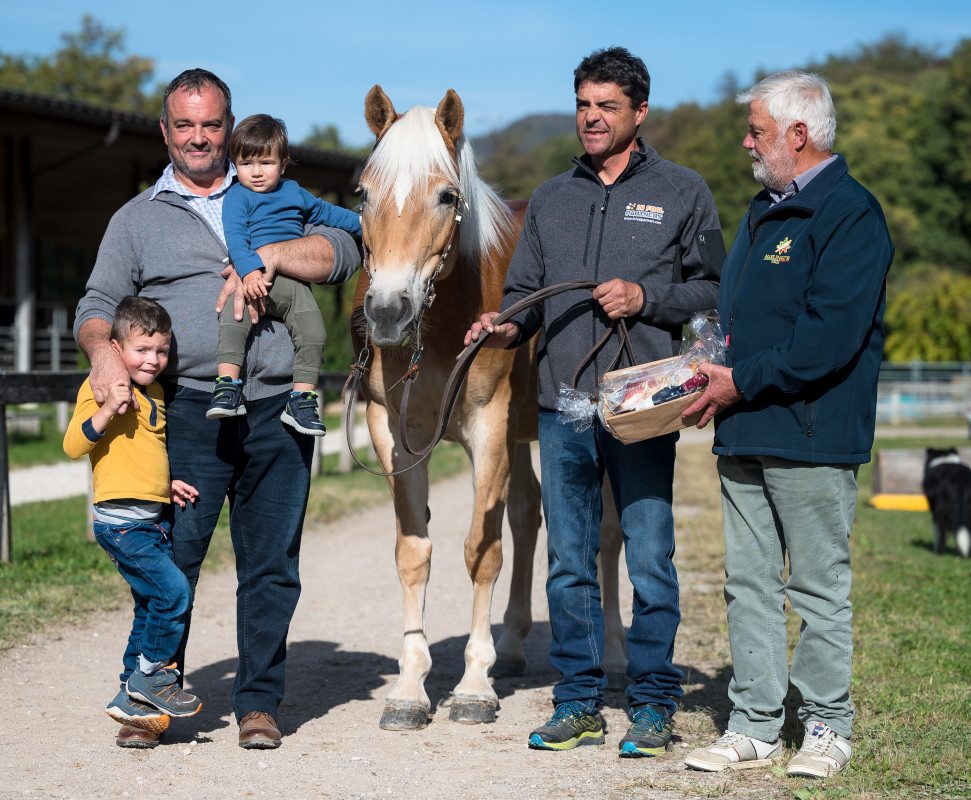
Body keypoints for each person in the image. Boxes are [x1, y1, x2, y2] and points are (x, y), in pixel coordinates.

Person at [74, 68, 360, 750]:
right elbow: (96, 303)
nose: (198, 137)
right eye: (185, 125)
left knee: (271, 564)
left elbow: (345, 251)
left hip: (279, 405)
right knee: (175, 560)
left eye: (210, 124)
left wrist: (271, 253)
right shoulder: (136, 218)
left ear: (229, 129)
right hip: (190, 409)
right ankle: (148, 698)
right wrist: (105, 355)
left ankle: (257, 703)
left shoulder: (270, 185)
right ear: (165, 131)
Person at [465, 47, 724, 757]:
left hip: (642, 405)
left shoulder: (684, 190)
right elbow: (524, 296)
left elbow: (715, 287)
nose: (591, 117)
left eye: (607, 106)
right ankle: (577, 701)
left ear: (640, 112)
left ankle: (653, 705)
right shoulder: (551, 197)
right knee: (569, 560)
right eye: (583, 104)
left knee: (650, 557)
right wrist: (504, 325)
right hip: (563, 406)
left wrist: (647, 297)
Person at [682, 71, 893, 778]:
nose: (747, 142)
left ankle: (829, 726)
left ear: (798, 134)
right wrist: (706, 371)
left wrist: (739, 380)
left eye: (757, 130)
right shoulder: (760, 210)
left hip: (811, 434)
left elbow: (827, 338)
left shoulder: (851, 213)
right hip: (744, 429)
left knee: (816, 589)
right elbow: (737, 317)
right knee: (746, 584)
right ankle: (755, 726)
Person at [64, 296, 202, 737]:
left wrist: (165, 485)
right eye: (142, 350)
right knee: (174, 593)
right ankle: (152, 676)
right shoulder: (100, 386)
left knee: (148, 606)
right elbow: (72, 445)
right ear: (116, 348)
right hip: (121, 525)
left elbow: (145, 451)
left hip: (152, 521)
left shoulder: (156, 393)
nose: (153, 360)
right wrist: (107, 407)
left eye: (161, 350)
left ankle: (131, 694)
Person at [209, 113, 362, 435]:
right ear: (234, 164)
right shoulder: (237, 195)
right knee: (232, 321)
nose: (256, 172)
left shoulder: (294, 192)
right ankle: (227, 387)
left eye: (266, 163)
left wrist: (365, 224)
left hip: (293, 285)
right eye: (246, 163)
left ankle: (301, 400)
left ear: (284, 163)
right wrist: (249, 272)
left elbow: (327, 213)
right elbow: (236, 238)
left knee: (313, 333)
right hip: (251, 279)